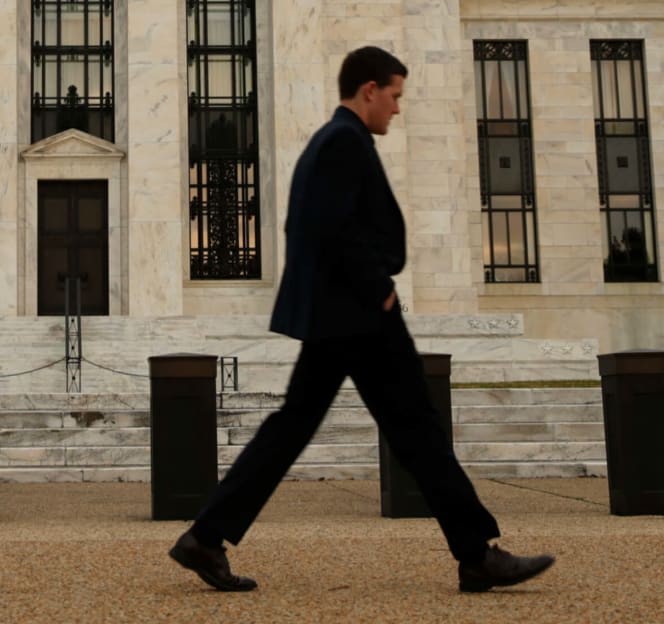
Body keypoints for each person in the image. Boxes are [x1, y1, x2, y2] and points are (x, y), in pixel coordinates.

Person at [169, 46, 557, 595]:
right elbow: (331, 227)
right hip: (359, 313)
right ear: (369, 90)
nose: (398, 109)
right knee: (416, 428)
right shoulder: (343, 142)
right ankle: (476, 555)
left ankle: (205, 537)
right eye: (395, 96)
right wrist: (379, 291)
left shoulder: (337, 141)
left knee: (300, 427)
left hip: (340, 314)